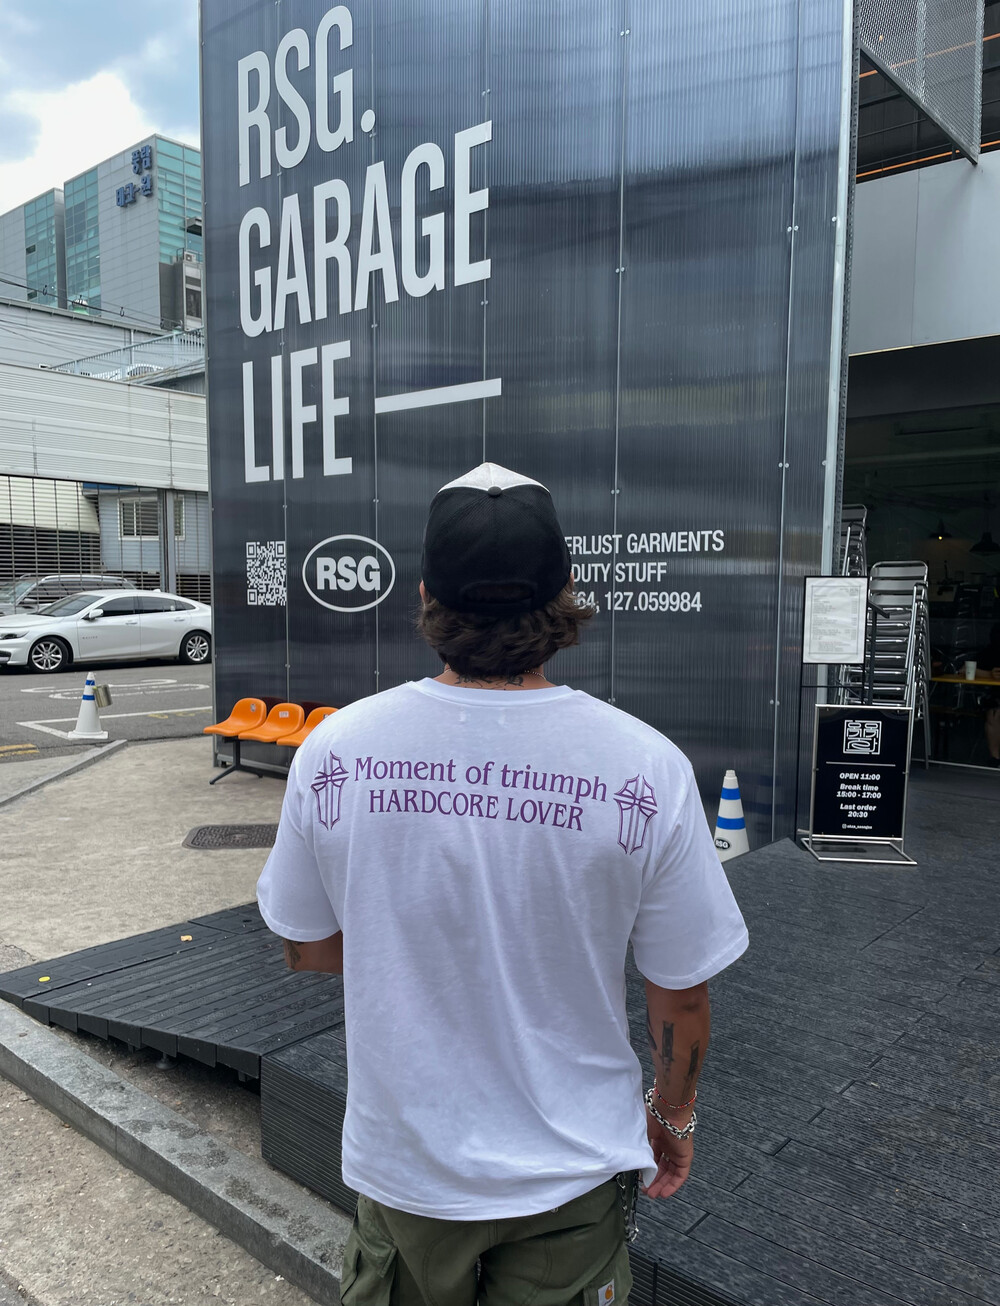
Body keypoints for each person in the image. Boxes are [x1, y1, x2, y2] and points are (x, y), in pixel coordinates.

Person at [256, 463, 749, 1305]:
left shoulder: (337, 751)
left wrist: (421, 948)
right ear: (564, 598)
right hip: (572, 1170)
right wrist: (673, 1115)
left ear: (425, 596)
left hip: (408, 1168)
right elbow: (682, 992)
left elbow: (305, 947)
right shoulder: (645, 766)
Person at [976, 622, 1000, 766]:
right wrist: (990, 675)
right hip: (994, 696)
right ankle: (995, 758)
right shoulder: (990, 652)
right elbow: (965, 669)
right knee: (994, 714)